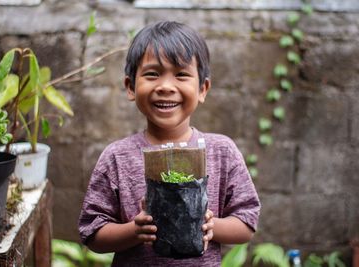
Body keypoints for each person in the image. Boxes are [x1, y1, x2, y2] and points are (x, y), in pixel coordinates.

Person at [79, 21, 261, 267]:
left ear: (202, 89)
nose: (165, 87)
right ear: (131, 87)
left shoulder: (221, 152)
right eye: (152, 74)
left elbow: (247, 222)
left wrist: (209, 226)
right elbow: (92, 233)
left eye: (181, 74)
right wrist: (134, 230)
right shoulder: (117, 157)